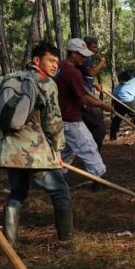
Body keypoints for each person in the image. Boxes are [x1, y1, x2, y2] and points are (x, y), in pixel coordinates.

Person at [0, 43, 73, 246]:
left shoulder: (10, 78)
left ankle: (10, 242)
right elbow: (53, 122)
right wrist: (57, 150)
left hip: (9, 153)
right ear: (37, 61)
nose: (55, 66)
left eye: (57, 62)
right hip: (35, 154)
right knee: (60, 192)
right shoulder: (46, 83)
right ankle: (66, 241)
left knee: (17, 192)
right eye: (51, 60)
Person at [54, 38, 113, 178]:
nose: (85, 57)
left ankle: (54, 177)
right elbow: (84, 98)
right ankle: (99, 178)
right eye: (82, 54)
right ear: (73, 53)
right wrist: (103, 105)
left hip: (61, 117)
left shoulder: (61, 67)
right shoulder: (72, 72)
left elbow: (82, 91)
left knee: (68, 150)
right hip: (71, 118)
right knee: (88, 146)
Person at [78, 36, 106, 149]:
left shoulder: (87, 57)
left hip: (86, 91)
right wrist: (102, 63)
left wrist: (94, 84)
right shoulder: (84, 58)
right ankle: (93, 150)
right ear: (87, 45)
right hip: (84, 94)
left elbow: (84, 75)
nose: (96, 48)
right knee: (98, 122)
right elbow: (90, 72)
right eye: (94, 46)